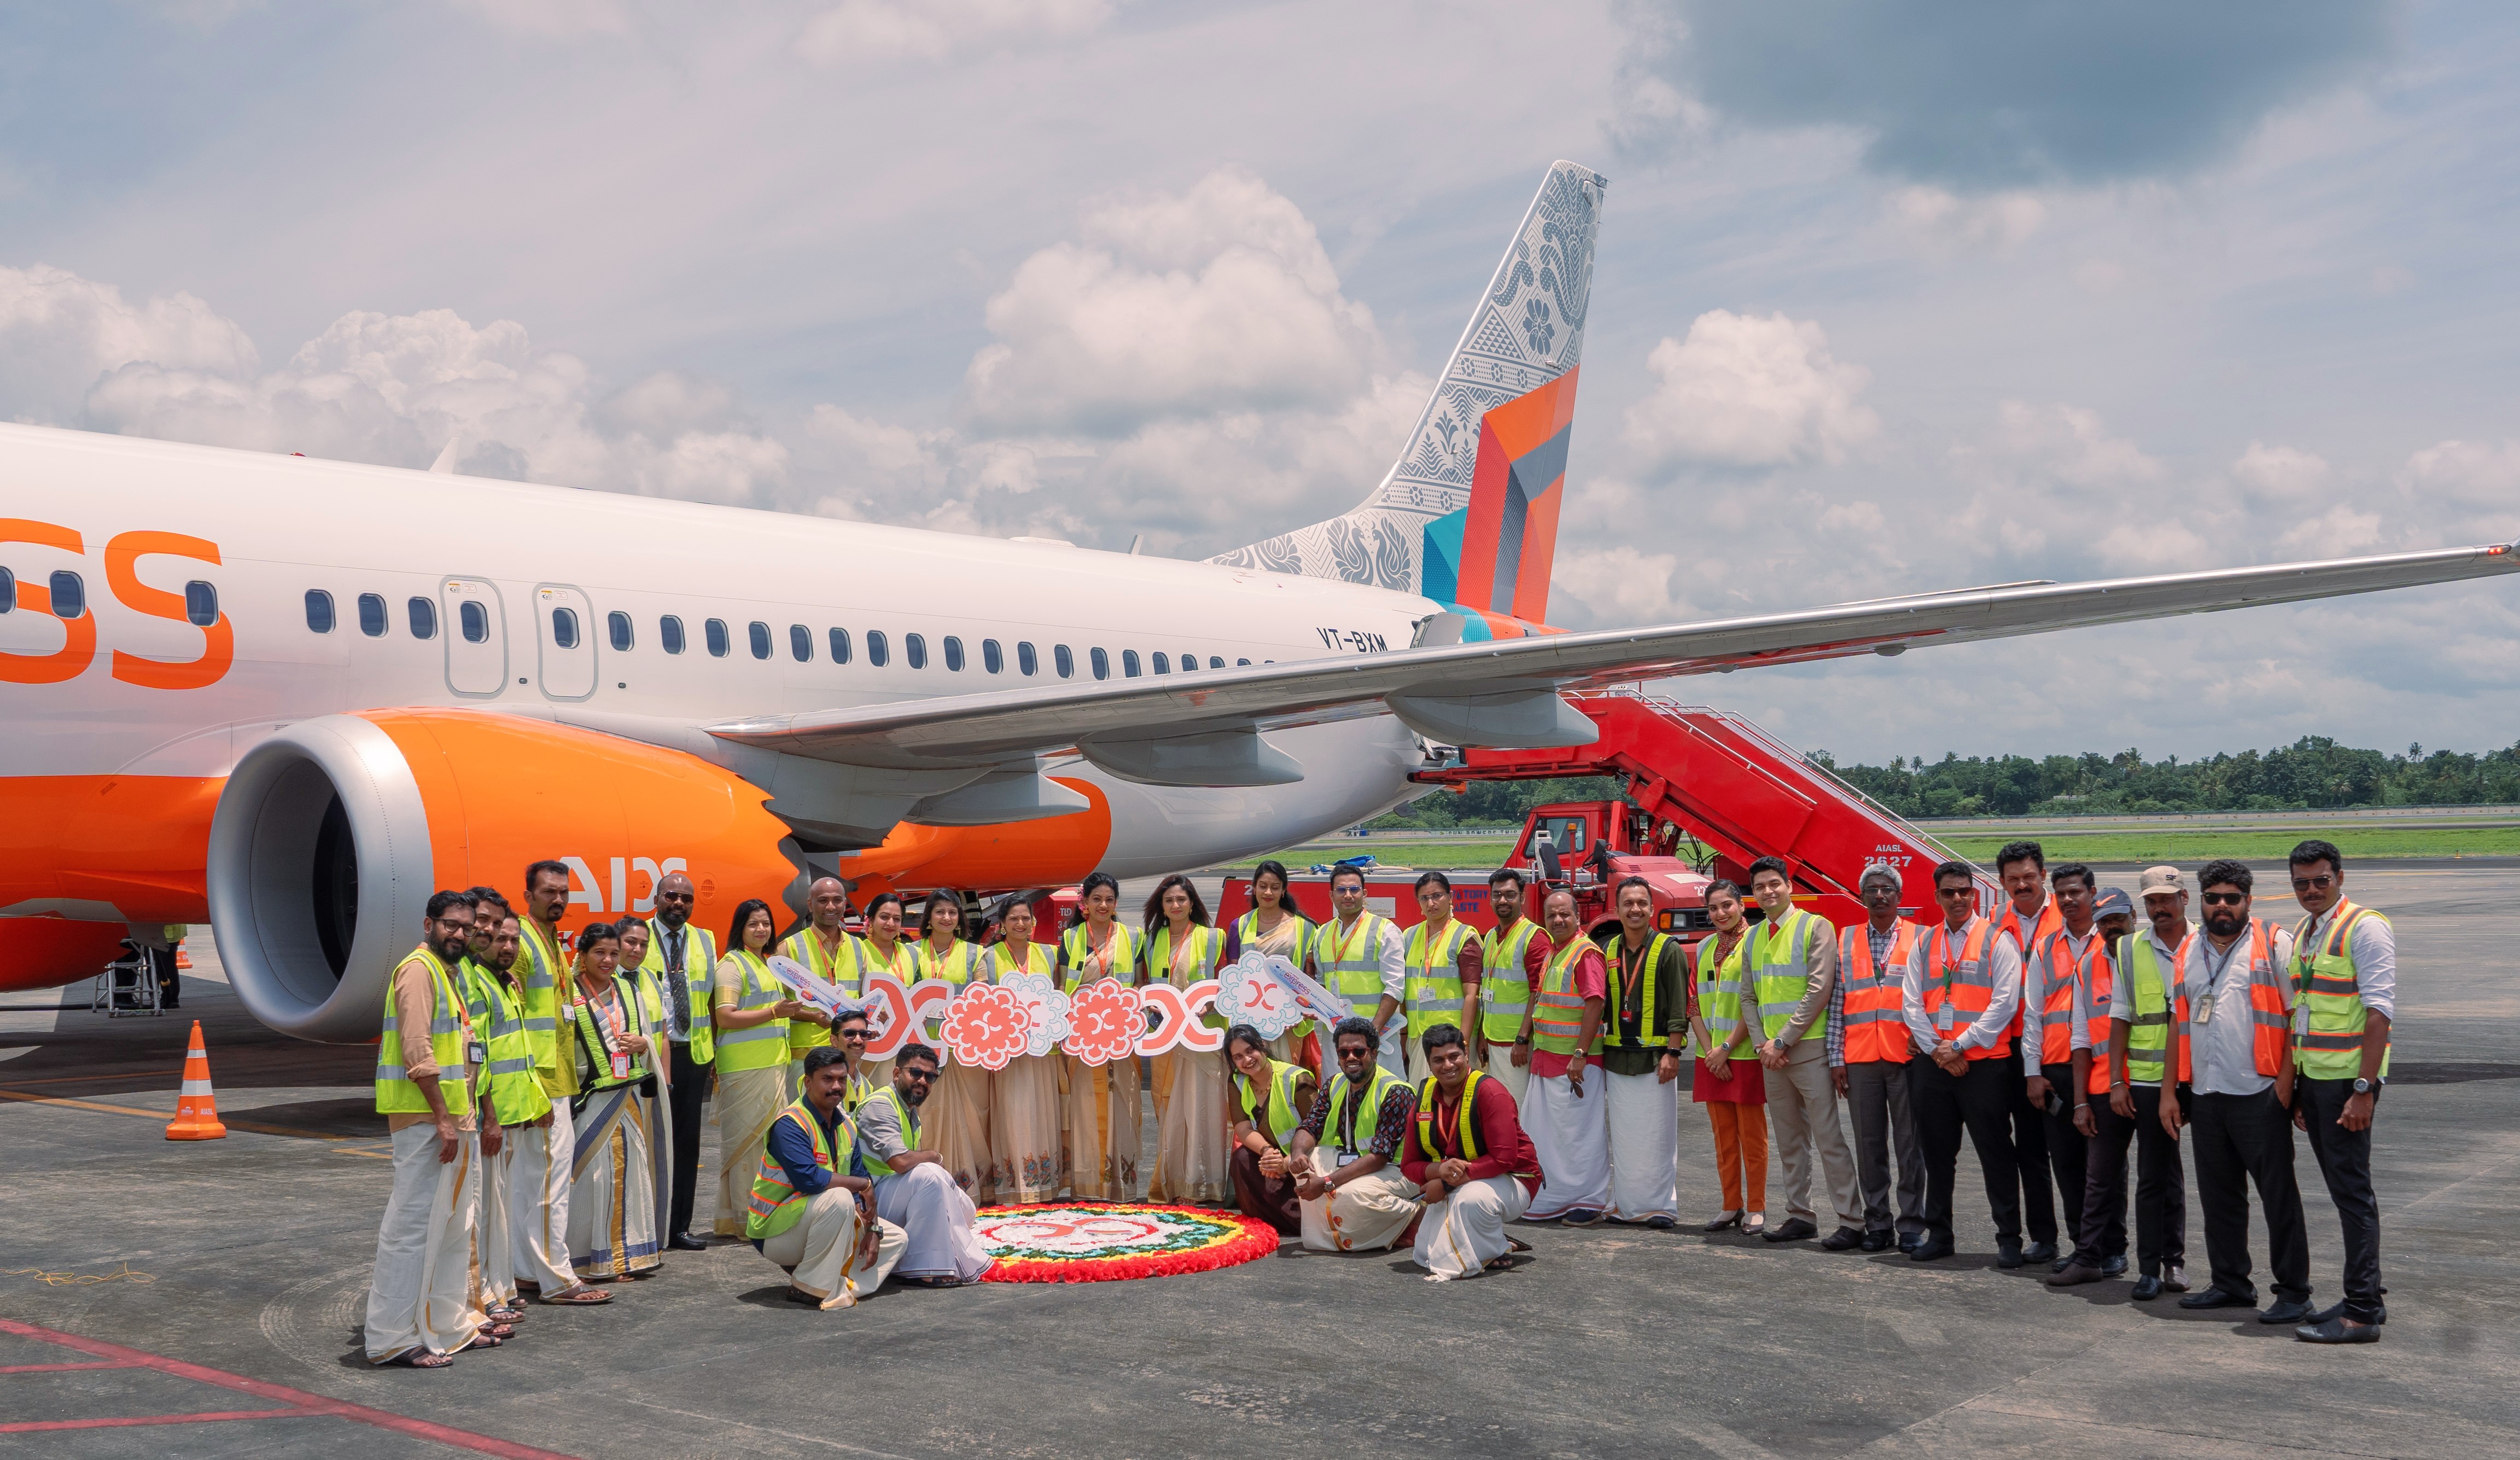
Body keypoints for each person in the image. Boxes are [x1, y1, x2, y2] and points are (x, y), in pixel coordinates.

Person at [2169, 859, 2311, 1327]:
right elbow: (2180, 1021)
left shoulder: (2274, 943)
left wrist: (2286, 1089)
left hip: (2260, 1092)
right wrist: (2173, 1090)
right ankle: (2231, 1282)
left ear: (2248, 901)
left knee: (2278, 1196)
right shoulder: (2189, 948)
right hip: (2208, 1093)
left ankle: (2293, 1292)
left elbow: (2297, 1018)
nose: (2222, 906)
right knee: (2219, 1196)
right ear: (2202, 901)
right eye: (2213, 898)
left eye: (2232, 898)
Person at [365, 891, 495, 1366]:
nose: (459, 933)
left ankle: (448, 1324)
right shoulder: (418, 971)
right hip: (426, 1120)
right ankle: (391, 1337)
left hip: (455, 1120)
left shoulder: (450, 973)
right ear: (429, 924)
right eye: (450, 925)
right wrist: (442, 1117)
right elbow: (418, 1051)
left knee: (455, 1228)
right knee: (412, 1230)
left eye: (466, 926)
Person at [2286, 839, 2395, 1345]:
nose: (2311, 890)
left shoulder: (2365, 927)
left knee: (2353, 1197)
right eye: (2302, 883)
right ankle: (2363, 1291)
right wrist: (2302, 1088)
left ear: (2340, 878)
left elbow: (2379, 1014)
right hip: (2318, 1083)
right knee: (2343, 1193)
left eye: (2320, 881)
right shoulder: (2308, 931)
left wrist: (2364, 1090)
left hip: (2347, 1085)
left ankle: (2363, 1312)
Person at [1903, 861, 2025, 1264]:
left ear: (1974, 895)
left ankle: (2009, 1239)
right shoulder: (1924, 943)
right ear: (1936, 897)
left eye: (1964, 892)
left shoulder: (1996, 939)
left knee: (1996, 1152)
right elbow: (1911, 1004)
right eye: (1948, 893)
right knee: (1937, 1155)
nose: (1957, 899)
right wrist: (1939, 1049)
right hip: (1934, 1065)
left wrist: (1960, 1045)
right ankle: (1940, 1235)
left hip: (1984, 1066)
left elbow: (2004, 1002)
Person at [1743, 856, 1863, 1249]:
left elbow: (1819, 990)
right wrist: (1765, 1043)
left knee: (1829, 1138)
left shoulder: (1815, 926)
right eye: (1760, 886)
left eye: (1774, 883)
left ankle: (1851, 1219)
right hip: (1771, 1056)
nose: (1768, 891)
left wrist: (1782, 1041)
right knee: (1790, 1141)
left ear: (1789, 885)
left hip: (1806, 1050)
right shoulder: (1753, 936)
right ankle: (1800, 1215)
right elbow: (1749, 996)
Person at [746, 1046, 907, 1309]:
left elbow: (860, 1179)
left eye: (842, 1080)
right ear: (808, 1082)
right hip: (775, 1232)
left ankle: (834, 1282)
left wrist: (874, 1229)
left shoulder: (846, 1125)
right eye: (827, 1079)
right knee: (840, 1198)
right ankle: (808, 1287)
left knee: (897, 1238)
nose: (836, 1087)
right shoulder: (790, 1124)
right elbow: (809, 1180)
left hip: (813, 1220)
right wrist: (863, 1186)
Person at [2100, 869, 2194, 1300]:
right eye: (2153, 901)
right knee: (2154, 1175)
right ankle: (2151, 1267)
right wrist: (2118, 1080)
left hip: (2203, 1076)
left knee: (2189, 1176)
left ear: (2185, 898)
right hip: (2150, 1078)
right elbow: (2119, 1018)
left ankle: (2176, 1261)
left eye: (2167, 899)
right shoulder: (2130, 949)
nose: (2161, 908)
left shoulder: (2207, 942)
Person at [508, 860, 594, 1304]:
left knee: (531, 1185)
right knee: (550, 1187)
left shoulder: (553, 942)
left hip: (556, 1080)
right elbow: (513, 1019)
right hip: (540, 1084)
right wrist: (533, 1087)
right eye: (549, 892)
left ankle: (526, 1270)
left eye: (563, 892)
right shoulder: (522, 944)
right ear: (529, 895)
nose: (558, 899)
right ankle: (558, 1278)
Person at [457, 892, 540, 1327]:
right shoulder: (471, 980)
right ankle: (483, 1295)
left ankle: (497, 1287)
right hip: (489, 1114)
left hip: (510, 1110)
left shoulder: (500, 981)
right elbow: (479, 1054)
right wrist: (489, 1117)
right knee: (484, 1211)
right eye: (491, 931)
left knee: (500, 1208)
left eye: (511, 937)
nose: (502, 943)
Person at [1404, 1024, 1543, 1281]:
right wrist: (1437, 1173)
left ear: (1466, 1053)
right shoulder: (1423, 1096)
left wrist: (1445, 1183)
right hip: (1460, 1178)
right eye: (1438, 1060)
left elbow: (1505, 1159)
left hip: (1515, 1179)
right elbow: (1408, 1163)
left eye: (1454, 1056)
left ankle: (1495, 1247)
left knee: (1471, 1200)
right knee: (1425, 1254)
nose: (1448, 1065)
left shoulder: (1491, 1092)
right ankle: (1493, 1239)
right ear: (1428, 1063)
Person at [564, 922, 662, 1280]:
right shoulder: (569, 994)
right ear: (583, 955)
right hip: (589, 1101)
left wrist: (644, 1045)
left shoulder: (629, 991)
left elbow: (649, 1037)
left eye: (613, 954)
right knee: (593, 1179)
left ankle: (625, 1258)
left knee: (631, 1179)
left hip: (629, 1099)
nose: (608, 960)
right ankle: (587, 1259)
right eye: (599, 953)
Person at [852, 1043, 995, 1286]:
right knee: (929, 1175)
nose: (923, 1081)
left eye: (930, 1077)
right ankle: (922, 1267)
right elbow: (900, 1162)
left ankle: (913, 1255)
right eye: (916, 1073)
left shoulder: (909, 1109)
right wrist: (934, 1156)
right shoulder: (881, 1105)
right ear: (897, 1074)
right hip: (869, 1199)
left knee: (967, 1209)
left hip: (891, 1191)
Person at [1837, 865, 1923, 1253]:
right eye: (1872, 889)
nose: (1880, 895)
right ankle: (1878, 1224)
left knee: (1910, 1146)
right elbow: (1838, 1002)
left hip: (1905, 1057)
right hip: (1859, 1059)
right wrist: (1835, 1056)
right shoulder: (1847, 939)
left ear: (1899, 896)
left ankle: (1910, 1225)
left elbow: (1928, 998)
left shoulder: (1920, 939)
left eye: (1887, 889)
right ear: (1862, 896)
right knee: (1869, 1146)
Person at [2052, 880, 2133, 1287]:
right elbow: (2080, 1039)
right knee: (2098, 1178)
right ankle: (2089, 1255)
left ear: (2133, 917)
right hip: (2104, 1087)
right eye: (2105, 922)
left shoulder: (2155, 959)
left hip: (2152, 1085)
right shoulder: (2087, 966)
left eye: (2118, 918)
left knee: (2162, 1179)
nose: (2112, 927)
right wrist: (2082, 1101)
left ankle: (2164, 1262)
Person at [714, 898, 809, 1239]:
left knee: (766, 1145)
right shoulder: (731, 966)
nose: (761, 930)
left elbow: (784, 1009)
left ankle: (755, 1213)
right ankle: (745, 1219)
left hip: (771, 1065)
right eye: (754, 923)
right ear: (740, 927)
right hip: (745, 1068)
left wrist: (814, 1013)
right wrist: (773, 1013)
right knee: (746, 1148)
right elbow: (725, 1015)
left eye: (766, 924)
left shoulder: (766, 964)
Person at [2031, 864, 2108, 1280]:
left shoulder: (2113, 940)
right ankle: (2084, 1249)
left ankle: (2113, 1247)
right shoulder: (2046, 947)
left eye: (2075, 892)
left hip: (2104, 1069)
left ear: (2092, 893)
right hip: (2058, 1068)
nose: (2067, 900)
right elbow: (2032, 1013)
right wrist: (2032, 1070)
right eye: (2060, 894)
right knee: (2067, 1166)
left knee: (2106, 1168)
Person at [1988, 841, 2063, 1267]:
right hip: (2007, 1048)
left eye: (2029, 877)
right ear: (2001, 883)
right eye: (2013, 879)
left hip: (2057, 1047)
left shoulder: (2066, 918)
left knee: (2063, 1148)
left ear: (2044, 875)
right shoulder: (1994, 924)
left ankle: (2090, 1242)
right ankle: (2041, 1238)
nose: (2022, 885)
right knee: (2026, 1149)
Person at [1287, 1015, 1421, 1252]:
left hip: (1397, 1169)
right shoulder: (1334, 1084)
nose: (1351, 1058)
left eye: (1359, 1052)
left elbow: (1379, 1157)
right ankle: (1350, 1231)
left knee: (1350, 1194)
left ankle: (1414, 1214)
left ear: (1374, 1053)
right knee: (1303, 1170)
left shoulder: (1396, 1091)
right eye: (1344, 1053)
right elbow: (1310, 1126)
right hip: (1353, 1160)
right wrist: (1298, 1154)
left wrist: (1327, 1183)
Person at [1518, 887, 1609, 1224]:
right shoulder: (1556, 952)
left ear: (1578, 917)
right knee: (1551, 1135)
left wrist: (1580, 1054)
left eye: (1564, 914)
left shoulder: (1585, 954)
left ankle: (1588, 1199)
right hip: (1548, 1060)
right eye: (1552, 915)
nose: (1558, 920)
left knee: (1579, 1135)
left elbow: (1595, 1003)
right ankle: (1555, 1197)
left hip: (1575, 1065)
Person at [1597, 876, 1684, 1228]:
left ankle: (1662, 1206)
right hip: (1618, 1061)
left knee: (1658, 1137)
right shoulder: (1607, 950)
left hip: (1656, 1061)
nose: (1635, 909)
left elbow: (1679, 1006)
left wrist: (1674, 1053)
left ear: (1652, 908)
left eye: (1642, 903)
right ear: (1616, 909)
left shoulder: (1669, 949)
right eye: (1628, 904)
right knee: (1626, 1138)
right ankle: (1627, 1207)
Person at [637, 871, 715, 1251]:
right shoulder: (638, 936)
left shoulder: (705, 940)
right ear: (657, 897)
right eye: (672, 896)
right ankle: (646, 1225)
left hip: (693, 1053)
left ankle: (679, 1226)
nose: (679, 904)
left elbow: (712, 999)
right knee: (648, 1140)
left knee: (687, 1144)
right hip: (650, 1052)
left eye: (686, 898)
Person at [1688, 879, 1768, 1235]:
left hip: (1745, 1055)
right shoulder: (1705, 947)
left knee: (1752, 1137)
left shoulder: (1756, 943)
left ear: (1741, 906)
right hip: (1712, 1059)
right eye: (1713, 908)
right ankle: (1730, 1204)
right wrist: (1709, 1051)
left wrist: (1725, 1049)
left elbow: (1757, 1002)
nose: (1720, 913)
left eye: (1726, 906)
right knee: (1723, 1137)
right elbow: (1693, 1005)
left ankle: (1757, 1207)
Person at [1058, 872, 1145, 1199]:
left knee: (1124, 1101)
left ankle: (1121, 1183)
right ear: (1085, 903)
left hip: (1121, 1037)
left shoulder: (1132, 937)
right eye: (1097, 899)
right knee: (1083, 1105)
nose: (1104, 905)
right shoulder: (1071, 940)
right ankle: (1088, 1183)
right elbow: (1061, 988)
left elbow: (1139, 984)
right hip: (1082, 1039)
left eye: (1109, 899)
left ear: (1116, 903)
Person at [1146, 875, 1229, 1206]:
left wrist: (1209, 1005)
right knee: (1169, 1108)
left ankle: (1206, 1183)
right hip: (1166, 1039)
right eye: (1169, 901)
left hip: (1203, 1037)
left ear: (1193, 903)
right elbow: (1144, 984)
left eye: (1181, 900)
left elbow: (1227, 981)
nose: (1176, 906)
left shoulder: (1213, 938)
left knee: (1205, 1108)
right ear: (1162, 907)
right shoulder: (1153, 941)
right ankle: (1175, 1182)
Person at [912, 891, 996, 1201]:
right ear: (929, 918)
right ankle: (931, 1181)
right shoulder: (910, 953)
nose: (946, 918)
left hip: (963, 1048)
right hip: (922, 1047)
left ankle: (973, 1184)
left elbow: (983, 998)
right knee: (928, 1112)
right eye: (939, 912)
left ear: (960, 919)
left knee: (973, 1112)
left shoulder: (976, 953)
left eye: (952, 912)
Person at [986, 900, 1068, 1201]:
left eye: (1025, 919)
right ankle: (1018, 1185)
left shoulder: (1048, 953)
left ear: (1033, 922)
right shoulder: (989, 957)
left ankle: (1044, 1184)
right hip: (1007, 1052)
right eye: (1013, 919)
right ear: (1002, 924)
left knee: (1043, 1111)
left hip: (1042, 1051)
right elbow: (985, 1004)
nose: (1020, 925)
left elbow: (1058, 996)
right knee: (1014, 1112)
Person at [612, 916, 678, 1266]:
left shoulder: (651, 979)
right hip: (620, 1087)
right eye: (630, 943)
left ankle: (649, 1240)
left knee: (653, 1165)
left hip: (650, 1084)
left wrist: (665, 1078)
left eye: (643, 944)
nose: (637, 950)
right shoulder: (605, 983)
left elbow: (663, 1032)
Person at [1223, 859, 1321, 1071]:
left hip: (1290, 1018)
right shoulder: (1239, 926)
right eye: (1263, 886)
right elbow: (1234, 974)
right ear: (1254, 888)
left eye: (1275, 887)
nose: (1268, 892)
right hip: (1251, 1016)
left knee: (1288, 1075)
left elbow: (1310, 976)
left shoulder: (1305, 927)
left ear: (1284, 890)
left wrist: (1303, 1009)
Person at [1227, 1023, 1317, 1235]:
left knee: (1304, 1217)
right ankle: (1265, 1221)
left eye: (1251, 1051)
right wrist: (1268, 1153)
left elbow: (1319, 1130)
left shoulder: (1297, 1079)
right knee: (1241, 1158)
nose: (1247, 1060)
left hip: (1305, 1157)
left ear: (1263, 1046)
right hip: (1274, 1162)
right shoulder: (1237, 1081)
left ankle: (1302, 1221)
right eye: (1238, 1057)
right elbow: (1243, 1127)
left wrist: (1287, 1162)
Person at [1319, 865, 1407, 1076]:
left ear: (1364, 894)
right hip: (1336, 1038)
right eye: (1341, 890)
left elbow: (1395, 988)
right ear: (1331, 895)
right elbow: (1321, 984)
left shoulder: (1385, 930)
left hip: (1377, 1037)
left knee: (1382, 1097)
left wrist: (1371, 1034)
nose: (1348, 895)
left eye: (1354, 889)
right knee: (1339, 1097)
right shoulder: (1322, 933)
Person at [1401, 872, 1481, 1083]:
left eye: (1437, 896)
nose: (1431, 903)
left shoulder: (1464, 936)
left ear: (1450, 897)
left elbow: (1472, 994)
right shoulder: (1409, 936)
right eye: (1425, 898)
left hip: (1451, 1039)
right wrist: (1403, 1036)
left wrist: (1462, 1042)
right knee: (1423, 1098)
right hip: (1418, 1036)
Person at [776, 878, 854, 1097]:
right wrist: (812, 1017)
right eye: (823, 900)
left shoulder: (859, 948)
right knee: (803, 1123)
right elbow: (778, 1004)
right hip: (806, 1057)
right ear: (810, 905)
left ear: (845, 904)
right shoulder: (790, 948)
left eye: (837, 900)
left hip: (846, 1054)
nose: (831, 907)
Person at [1479, 869, 1547, 1105]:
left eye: (1510, 895)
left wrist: (1522, 1039)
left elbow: (1538, 993)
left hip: (1516, 1046)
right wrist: (1482, 1037)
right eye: (1497, 895)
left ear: (1523, 898)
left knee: (1517, 1109)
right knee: (1499, 1109)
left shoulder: (1534, 937)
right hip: (1493, 1041)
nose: (1503, 901)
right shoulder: (1490, 936)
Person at [851, 891, 918, 1090]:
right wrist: (868, 1011)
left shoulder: (913, 953)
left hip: (903, 1039)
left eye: (896, 919)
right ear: (870, 920)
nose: (890, 923)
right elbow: (852, 994)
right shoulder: (858, 952)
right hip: (872, 1039)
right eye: (884, 917)